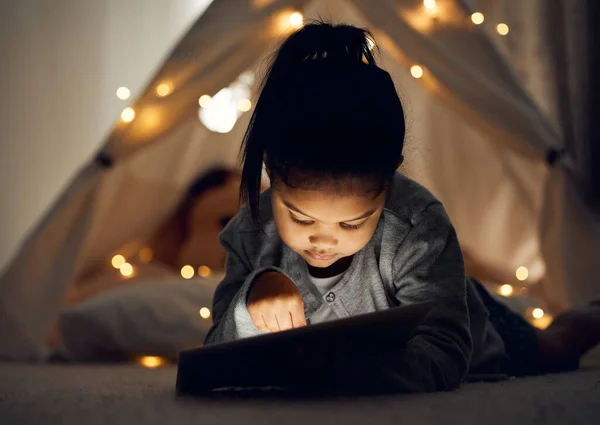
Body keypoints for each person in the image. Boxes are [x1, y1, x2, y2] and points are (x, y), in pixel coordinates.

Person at [204, 22, 600, 394]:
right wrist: (252, 296)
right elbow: (214, 350)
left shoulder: (415, 226)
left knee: (555, 347)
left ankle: (587, 316)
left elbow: (446, 351)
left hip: (475, 325)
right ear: (271, 173)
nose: (324, 238)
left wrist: (351, 373)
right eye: (301, 217)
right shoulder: (252, 230)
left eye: (353, 221)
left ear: (388, 183)